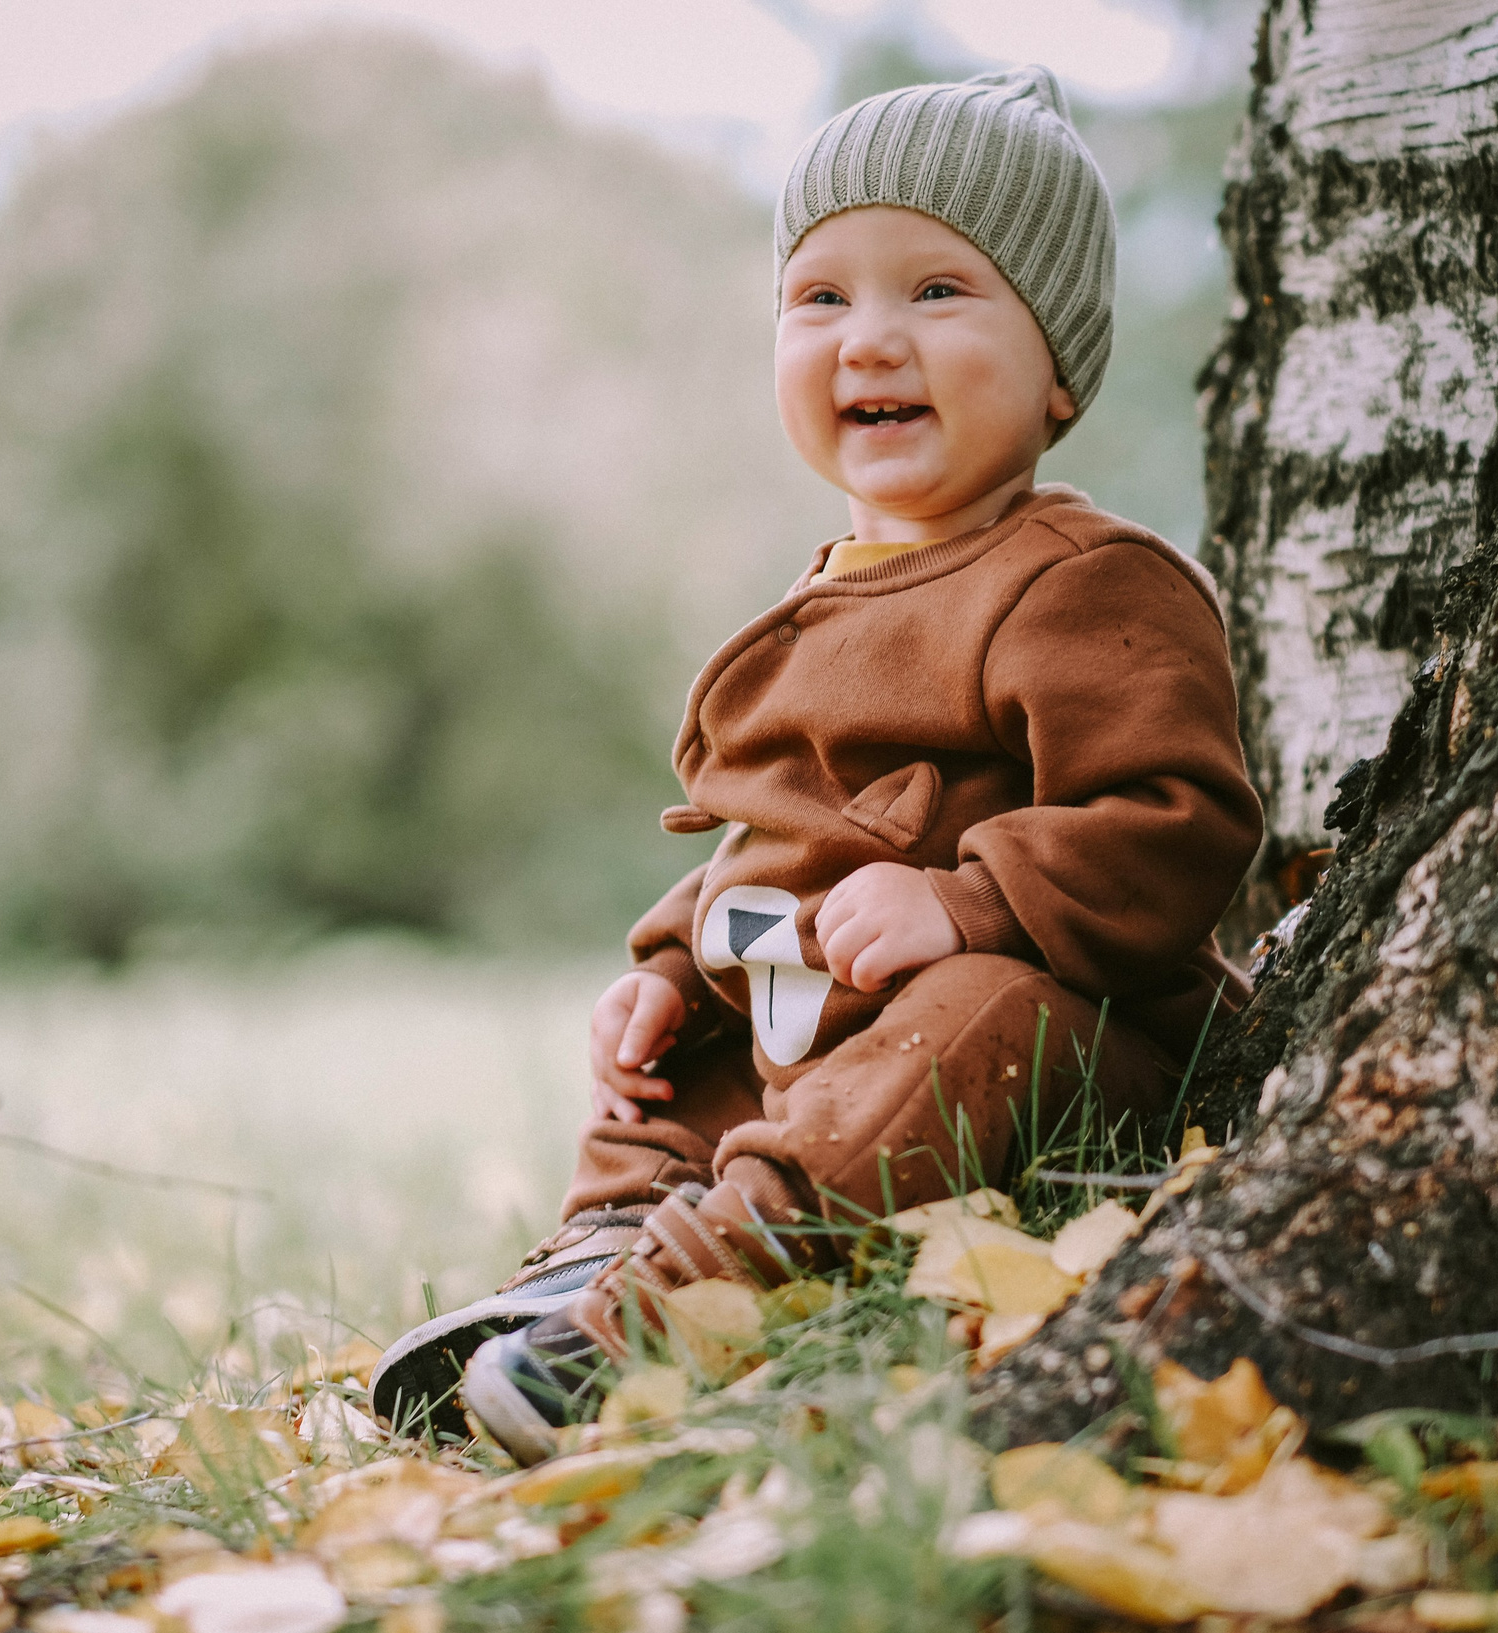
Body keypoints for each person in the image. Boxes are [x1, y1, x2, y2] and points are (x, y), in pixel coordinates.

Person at [371, 64, 1264, 1460]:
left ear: (1059, 370)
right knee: (668, 1065)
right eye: (822, 297)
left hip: (1059, 1054)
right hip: (827, 1047)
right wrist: (670, 974)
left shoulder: (1084, 580)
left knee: (971, 1014)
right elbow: (771, 842)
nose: (870, 339)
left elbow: (1180, 818)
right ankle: (600, 1252)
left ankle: (688, 1299)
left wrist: (967, 902)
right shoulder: (819, 605)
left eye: (938, 291)